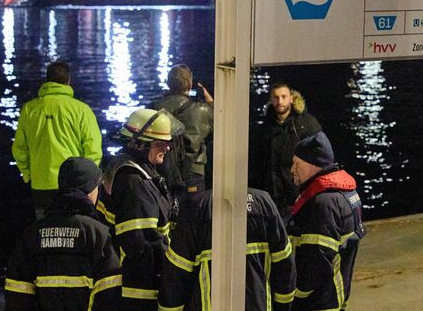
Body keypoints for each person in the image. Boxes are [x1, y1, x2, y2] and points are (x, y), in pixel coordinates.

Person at [5, 157, 121, 311]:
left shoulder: (32, 234)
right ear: (89, 190)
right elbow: (109, 292)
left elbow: (17, 293)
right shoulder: (99, 234)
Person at [158, 189, 296, 311]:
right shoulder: (264, 204)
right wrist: (282, 307)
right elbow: (284, 267)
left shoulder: (197, 208)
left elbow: (176, 276)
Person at [102, 108, 183, 310]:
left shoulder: (131, 168)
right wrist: (175, 269)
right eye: (160, 143)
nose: (168, 148)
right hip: (140, 286)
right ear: (140, 144)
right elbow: (143, 243)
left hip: (136, 280)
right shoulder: (134, 182)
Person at [12, 61, 102, 220]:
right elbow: (93, 149)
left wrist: (29, 174)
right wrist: (87, 181)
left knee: (45, 229)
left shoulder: (29, 109)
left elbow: (19, 149)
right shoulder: (82, 110)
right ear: (68, 80)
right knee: (76, 228)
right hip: (74, 184)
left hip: (41, 184)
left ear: (47, 80)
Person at [289, 132, 364, 311]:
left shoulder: (322, 204)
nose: (292, 169)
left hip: (318, 302)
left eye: (297, 164)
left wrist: (293, 294)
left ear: (312, 166)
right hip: (335, 295)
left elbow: (316, 261)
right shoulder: (345, 194)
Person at [250, 82, 322, 220]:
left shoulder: (306, 124)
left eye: (284, 96)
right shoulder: (265, 127)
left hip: (296, 196)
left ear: (291, 98)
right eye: (276, 97)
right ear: (271, 100)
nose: (280, 101)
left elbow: (319, 158)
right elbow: (257, 162)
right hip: (271, 197)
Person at [151, 64, 214, 198]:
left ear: (168, 84)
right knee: (194, 210)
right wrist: (209, 101)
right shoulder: (202, 110)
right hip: (193, 172)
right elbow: (220, 124)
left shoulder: (153, 108)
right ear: (190, 84)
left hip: (162, 170)